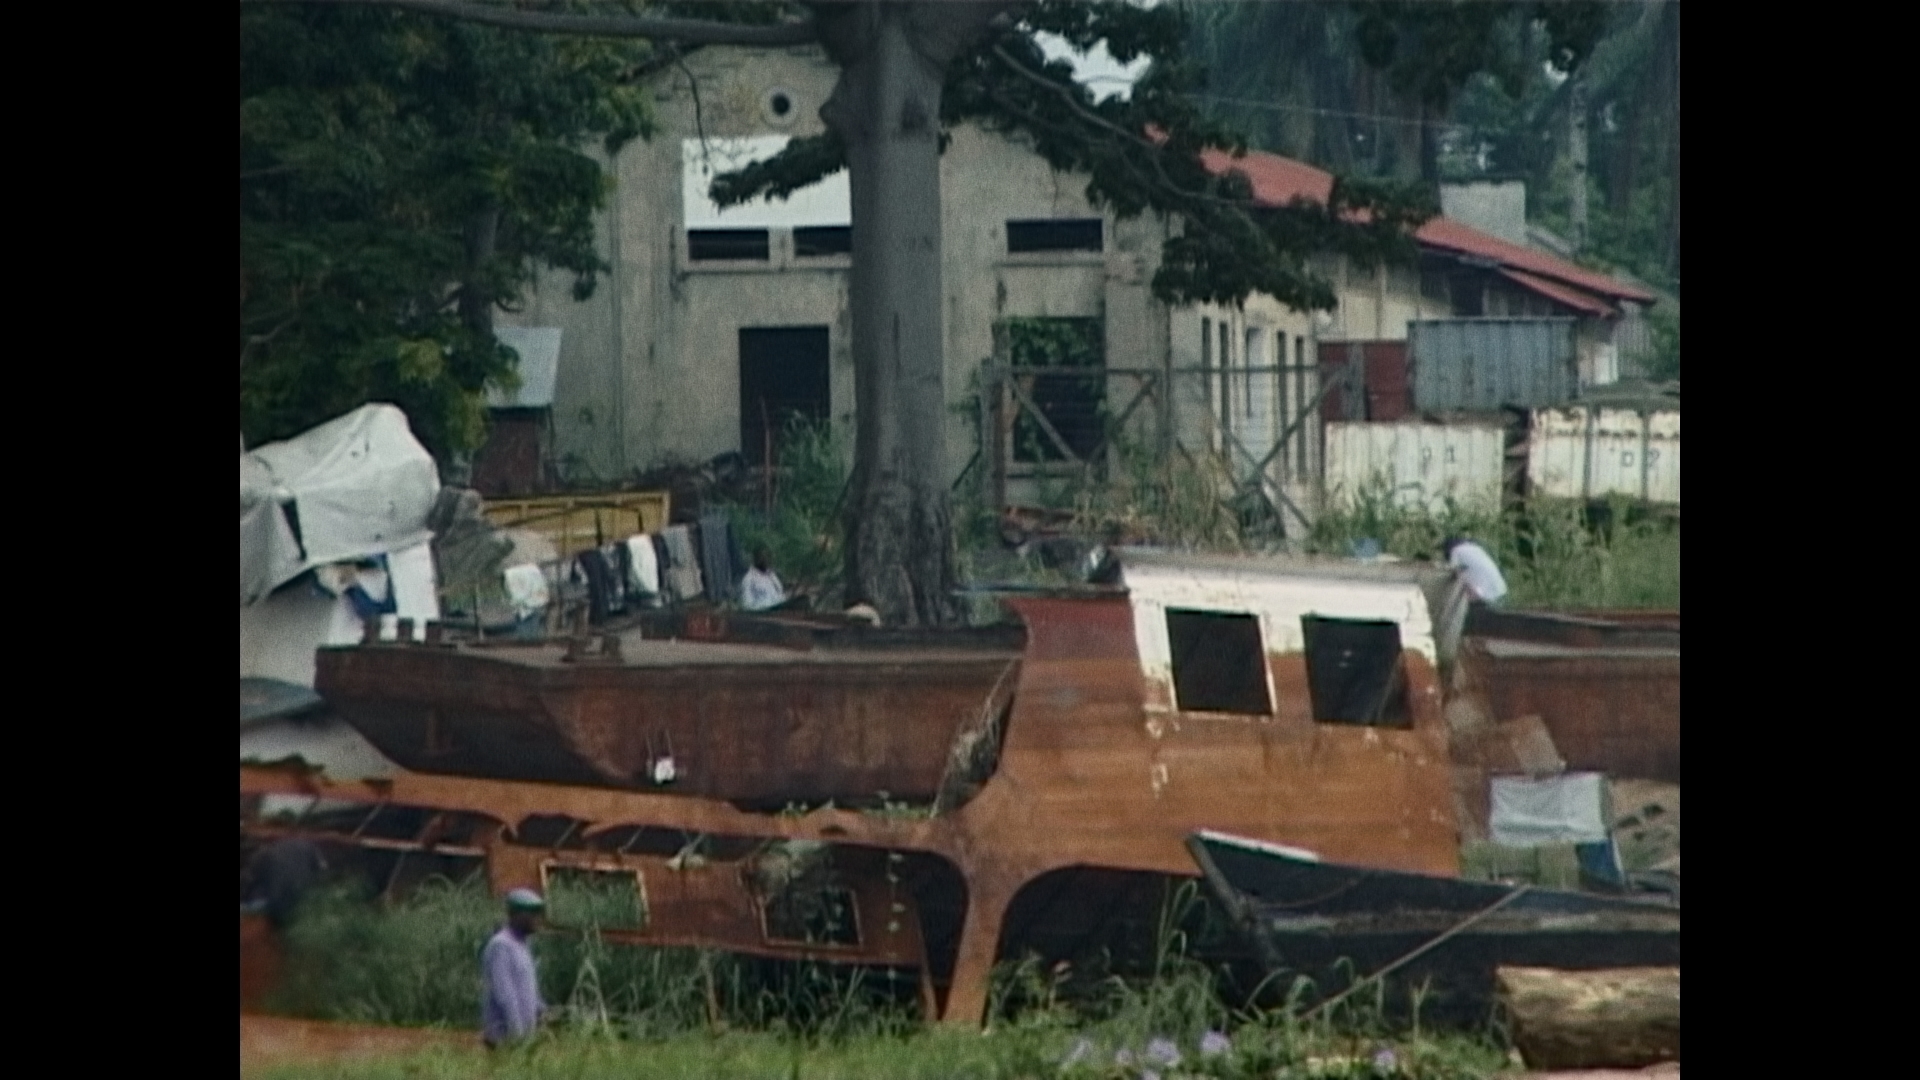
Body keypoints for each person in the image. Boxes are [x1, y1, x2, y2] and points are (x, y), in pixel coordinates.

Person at [481, 888, 547, 1049]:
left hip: (525, 1037)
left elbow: (528, 986)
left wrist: (541, 1010)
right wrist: (517, 1034)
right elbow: (505, 995)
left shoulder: (523, 944)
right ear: (517, 915)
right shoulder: (501, 945)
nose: (537, 919)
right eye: (532, 914)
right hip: (505, 1038)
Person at [241, 836, 328, 933]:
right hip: (299, 895)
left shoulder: (264, 856)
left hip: (282, 897)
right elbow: (323, 869)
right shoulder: (307, 847)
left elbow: (249, 880)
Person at [1440, 535, 1508, 607]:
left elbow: (1454, 572)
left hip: (1486, 596)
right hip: (1501, 589)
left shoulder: (1455, 551)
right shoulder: (1475, 548)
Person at [738, 546, 787, 612]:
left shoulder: (772, 576)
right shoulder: (749, 579)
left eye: (767, 556)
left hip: (781, 611)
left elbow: (781, 595)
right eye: (762, 557)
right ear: (755, 558)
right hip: (764, 613)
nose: (765, 560)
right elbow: (747, 606)